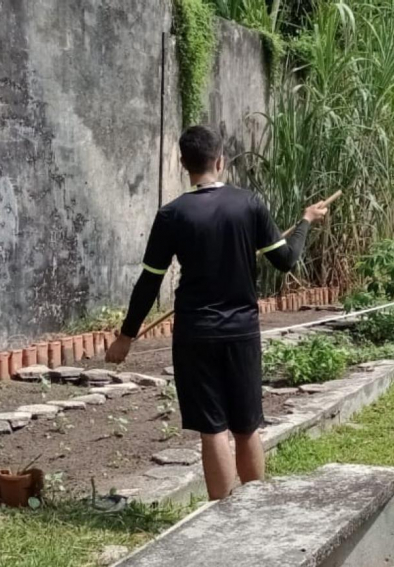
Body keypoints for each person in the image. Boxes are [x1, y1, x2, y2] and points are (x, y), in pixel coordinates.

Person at [106, 125, 328, 499]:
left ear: (183, 165)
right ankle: (255, 512)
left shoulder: (171, 215)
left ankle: (220, 521)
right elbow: (286, 260)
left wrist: (126, 337)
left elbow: (149, 282)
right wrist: (305, 220)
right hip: (241, 332)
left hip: (196, 334)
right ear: (220, 161)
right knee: (246, 427)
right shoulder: (249, 204)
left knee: (212, 430)